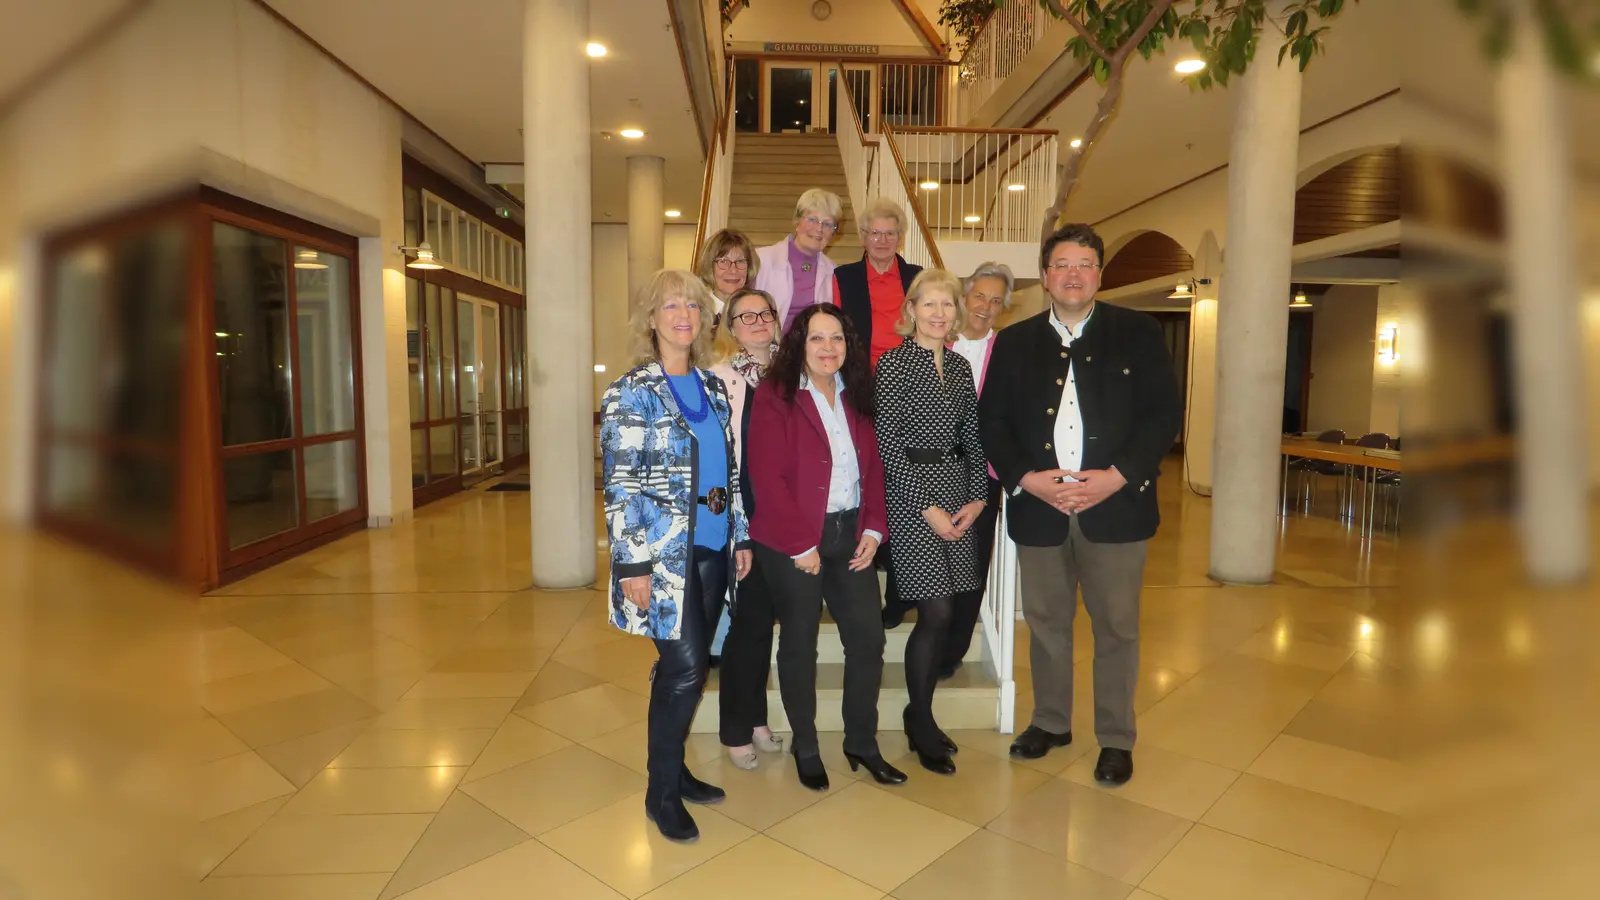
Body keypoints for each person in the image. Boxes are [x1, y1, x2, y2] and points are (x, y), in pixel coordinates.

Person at [978, 224, 1181, 787]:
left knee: (1116, 626)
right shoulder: (1015, 342)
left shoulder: (1136, 333)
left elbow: (1162, 416)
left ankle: (1116, 738)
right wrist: (1027, 479)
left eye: (1085, 263)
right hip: (1039, 506)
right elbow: (992, 421)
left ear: (1099, 274)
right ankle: (1051, 721)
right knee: (1046, 622)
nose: (1073, 273)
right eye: (1062, 263)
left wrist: (1115, 478)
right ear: (1045, 276)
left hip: (1115, 506)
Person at [599, 270, 754, 842]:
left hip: (715, 544)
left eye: (693, 304)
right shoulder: (630, 391)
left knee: (687, 668)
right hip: (663, 555)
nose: (683, 314)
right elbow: (621, 486)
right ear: (651, 318)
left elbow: (728, 471)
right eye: (670, 305)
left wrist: (739, 535)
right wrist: (632, 564)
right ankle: (659, 791)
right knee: (685, 668)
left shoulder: (713, 387)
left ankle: (675, 769)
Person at [747, 304, 906, 792]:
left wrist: (875, 530)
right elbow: (766, 478)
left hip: (850, 534)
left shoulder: (858, 393)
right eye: (817, 338)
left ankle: (861, 740)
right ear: (800, 343)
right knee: (800, 645)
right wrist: (799, 544)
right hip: (794, 540)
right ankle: (807, 743)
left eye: (837, 337)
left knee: (869, 640)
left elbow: (875, 469)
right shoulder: (776, 396)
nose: (828, 347)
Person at [873, 269, 988, 776]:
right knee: (936, 612)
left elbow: (972, 435)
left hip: (959, 487)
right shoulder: (894, 365)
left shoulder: (961, 367)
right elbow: (889, 448)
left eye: (947, 305)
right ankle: (918, 717)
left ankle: (920, 710)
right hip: (911, 495)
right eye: (929, 304)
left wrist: (979, 498)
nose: (939, 313)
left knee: (954, 605)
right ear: (911, 310)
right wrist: (928, 508)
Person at [708, 288, 784, 770]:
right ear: (731, 327)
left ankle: (756, 717)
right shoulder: (718, 379)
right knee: (749, 623)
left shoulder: (796, 372)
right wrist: (737, 530)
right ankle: (736, 727)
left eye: (764, 313)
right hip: (746, 514)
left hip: (789, 514)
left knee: (765, 623)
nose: (757, 321)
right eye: (745, 316)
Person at [937, 262, 1015, 678]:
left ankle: (952, 651)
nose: (986, 306)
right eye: (980, 296)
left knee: (971, 566)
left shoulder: (1008, 349)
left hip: (981, 475)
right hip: (931, 472)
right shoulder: (934, 344)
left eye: (997, 300)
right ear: (963, 297)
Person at [832, 197, 923, 370]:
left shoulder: (916, 276)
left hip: (910, 373)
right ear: (864, 238)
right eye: (875, 233)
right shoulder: (844, 277)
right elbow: (836, 329)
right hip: (860, 374)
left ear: (900, 239)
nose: (883, 240)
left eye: (890, 233)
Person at [753, 189, 841, 333]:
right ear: (797, 221)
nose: (819, 229)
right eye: (812, 220)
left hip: (810, 350)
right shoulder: (761, 260)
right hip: (767, 348)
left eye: (827, 224)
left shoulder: (833, 271)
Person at [696, 228, 760, 322]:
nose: (733, 270)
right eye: (723, 261)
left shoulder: (759, 314)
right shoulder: (697, 315)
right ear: (709, 266)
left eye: (740, 261)